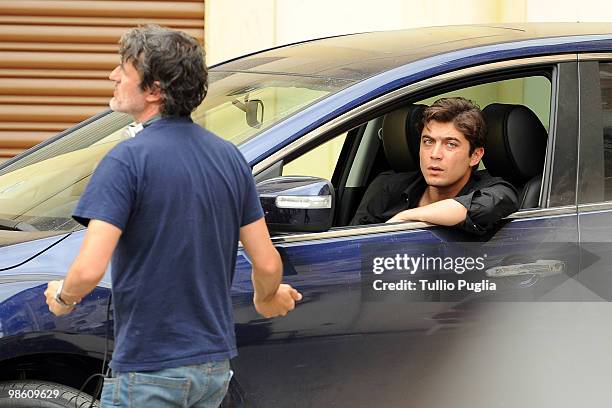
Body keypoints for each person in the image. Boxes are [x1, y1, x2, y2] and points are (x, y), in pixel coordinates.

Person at [43, 25, 301, 407]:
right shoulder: (229, 157)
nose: (112, 76)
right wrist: (267, 298)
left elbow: (87, 270)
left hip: (150, 370)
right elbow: (266, 261)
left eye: (123, 69)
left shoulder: (126, 160)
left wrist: (63, 297)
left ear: (154, 90)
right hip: (212, 368)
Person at [351, 97, 518, 235]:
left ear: (475, 156)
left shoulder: (497, 190)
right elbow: (351, 249)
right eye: (428, 141)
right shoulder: (388, 187)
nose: (435, 154)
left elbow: (482, 209)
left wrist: (405, 217)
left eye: (450, 144)